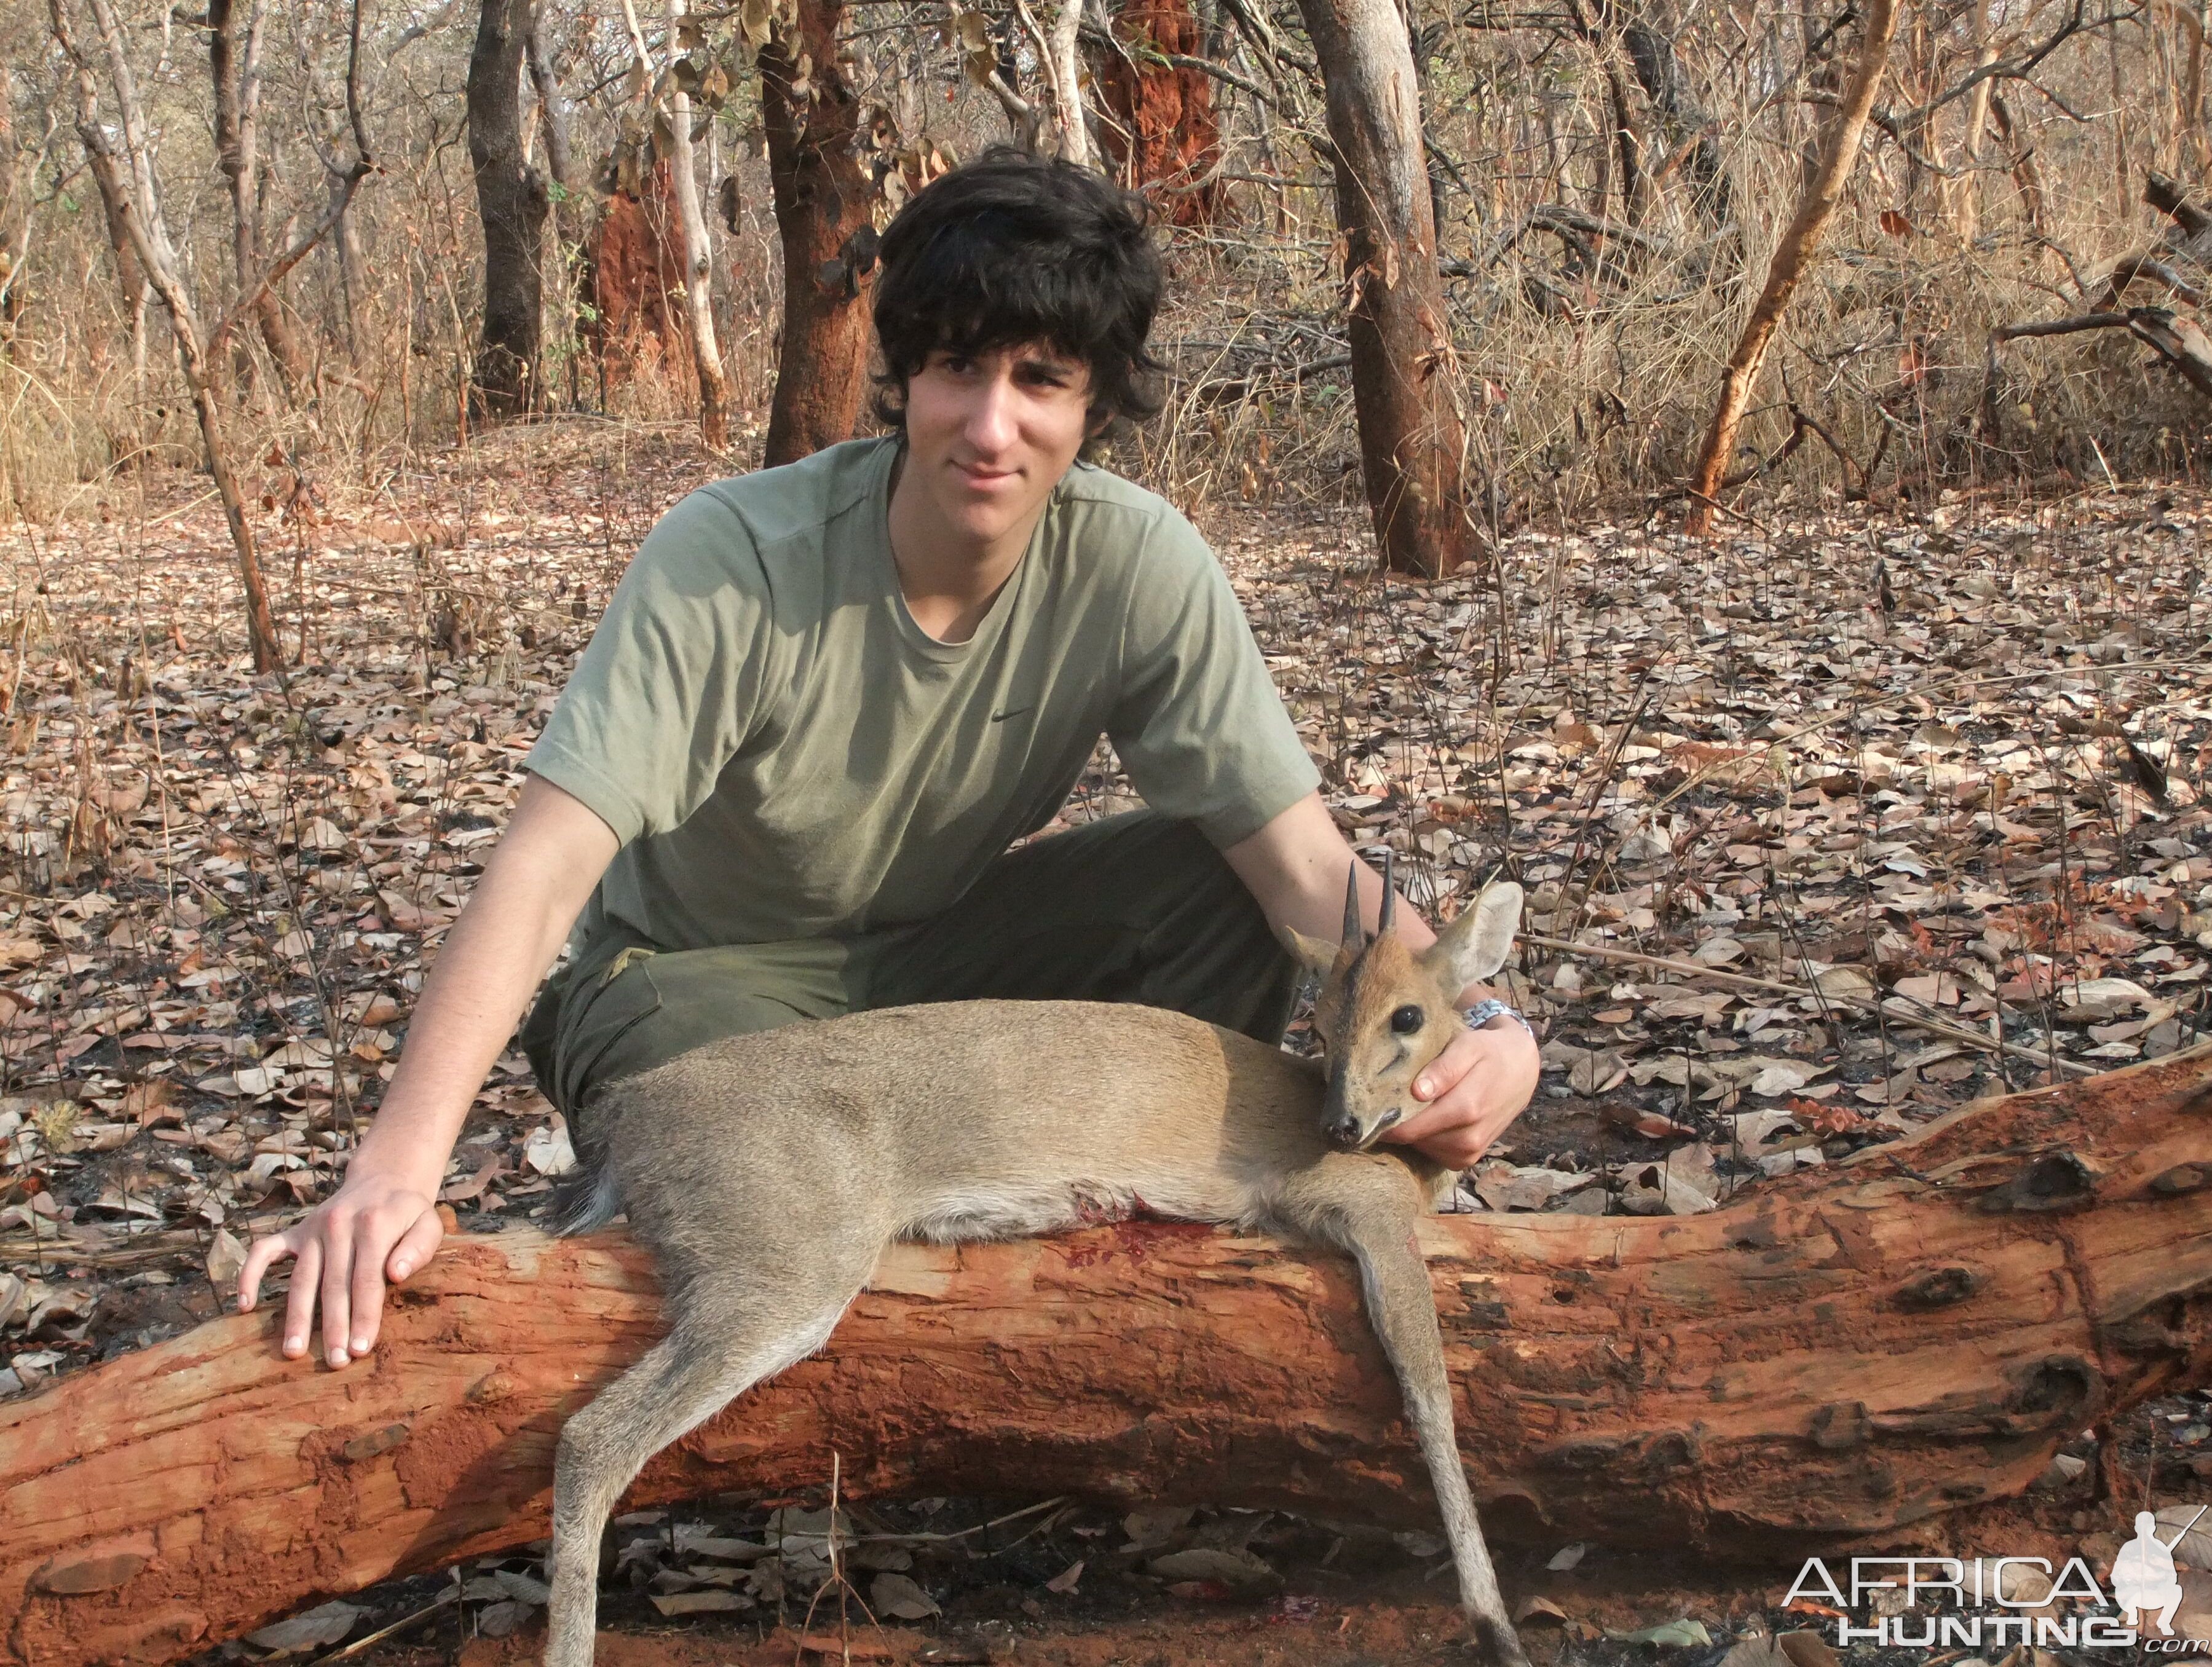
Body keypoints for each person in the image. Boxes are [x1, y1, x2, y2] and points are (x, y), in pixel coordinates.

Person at [238, 149, 1541, 1370]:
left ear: (1092, 402)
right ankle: (732, 1262)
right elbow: (539, 870)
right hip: (693, 990)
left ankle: (1141, 1266)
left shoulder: (1138, 564)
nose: (989, 424)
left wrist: (1477, 1034)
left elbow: (1307, 870)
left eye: (1039, 380)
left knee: (1208, 884)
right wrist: (394, 1174)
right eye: (956, 369)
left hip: (934, 981)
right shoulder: (736, 556)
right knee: (713, 1094)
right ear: (901, 373)